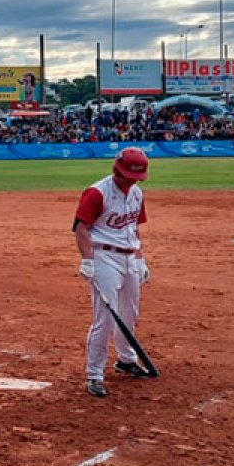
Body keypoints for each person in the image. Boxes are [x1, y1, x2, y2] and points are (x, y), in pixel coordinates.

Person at [73, 147, 152, 398]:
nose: (131, 181)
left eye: (135, 177)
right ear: (116, 170)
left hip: (129, 257)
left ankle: (126, 360)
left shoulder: (137, 194)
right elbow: (81, 228)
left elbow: (133, 229)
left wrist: (140, 259)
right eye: (127, 176)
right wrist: (88, 261)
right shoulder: (97, 192)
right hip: (104, 257)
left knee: (130, 313)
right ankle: (94, 373)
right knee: (105, 318)